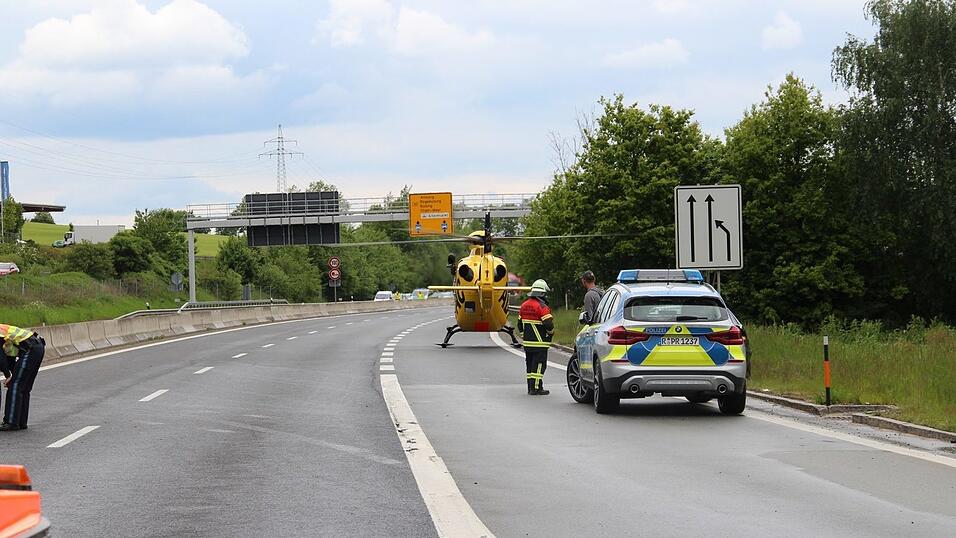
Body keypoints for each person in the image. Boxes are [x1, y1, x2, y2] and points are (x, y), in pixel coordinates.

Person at [0, 324, 46, 431]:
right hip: (37, 346)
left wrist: (8, 376)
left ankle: (11, 422)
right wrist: (12, 375)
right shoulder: (2, 330)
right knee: (23, 388)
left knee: (15, 386)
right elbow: (10, 357)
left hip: (29, 349)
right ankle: (21, 422)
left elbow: (1, 358)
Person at [518, 279, 554, 396]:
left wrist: (524, 336)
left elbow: (519, 324)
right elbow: (548, 324)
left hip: (528, 343)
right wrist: (550, 333)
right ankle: (537, 388)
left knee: (530, 366)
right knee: (539, 366)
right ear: (542, 293)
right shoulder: (542, 307)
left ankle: (530, 387)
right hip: (540, 343)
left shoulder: (524, 305)